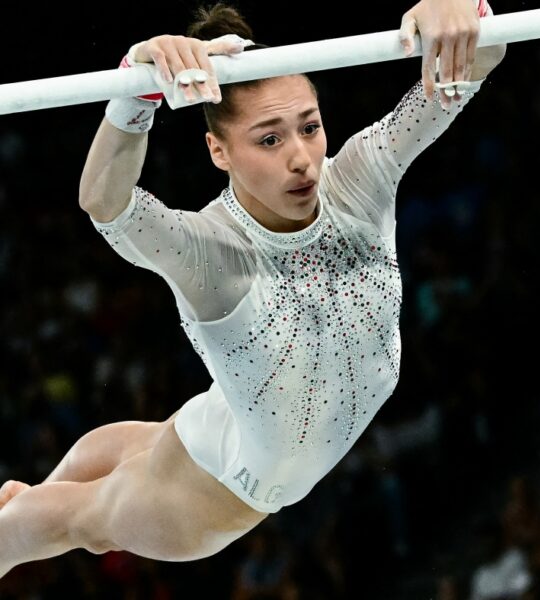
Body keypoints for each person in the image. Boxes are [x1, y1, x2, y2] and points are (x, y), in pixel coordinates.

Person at [0, 0, 506, 578]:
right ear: (219, 151)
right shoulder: (210, 254)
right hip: (209, 498)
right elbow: (106, 204)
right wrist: (134, 90)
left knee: (102, 469)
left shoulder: (361, 177)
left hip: (230, 421)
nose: (301, 160)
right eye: (269, 140)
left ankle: (29, 496)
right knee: (52, 526)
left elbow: (483, 55)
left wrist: (463, 16)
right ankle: (24, 508)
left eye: (310, 127)